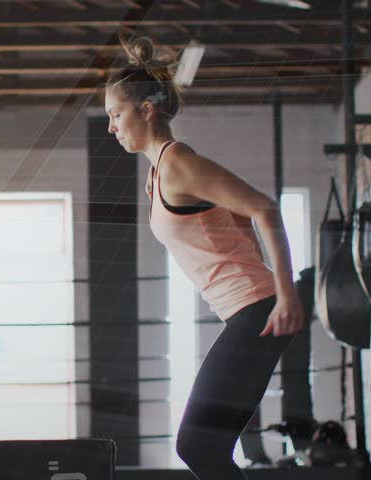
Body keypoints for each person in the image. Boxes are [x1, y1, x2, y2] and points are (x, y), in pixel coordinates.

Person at [101, 37, 305, 479]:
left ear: (146, 110)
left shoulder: (178, 164)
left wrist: (286, 297)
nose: (112, 127)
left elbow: (264, 208)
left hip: (259, 311)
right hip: (248, 310)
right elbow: (233, 213)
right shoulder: (157, 175)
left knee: (197, 445)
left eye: (116, 115)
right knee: (207, 446)